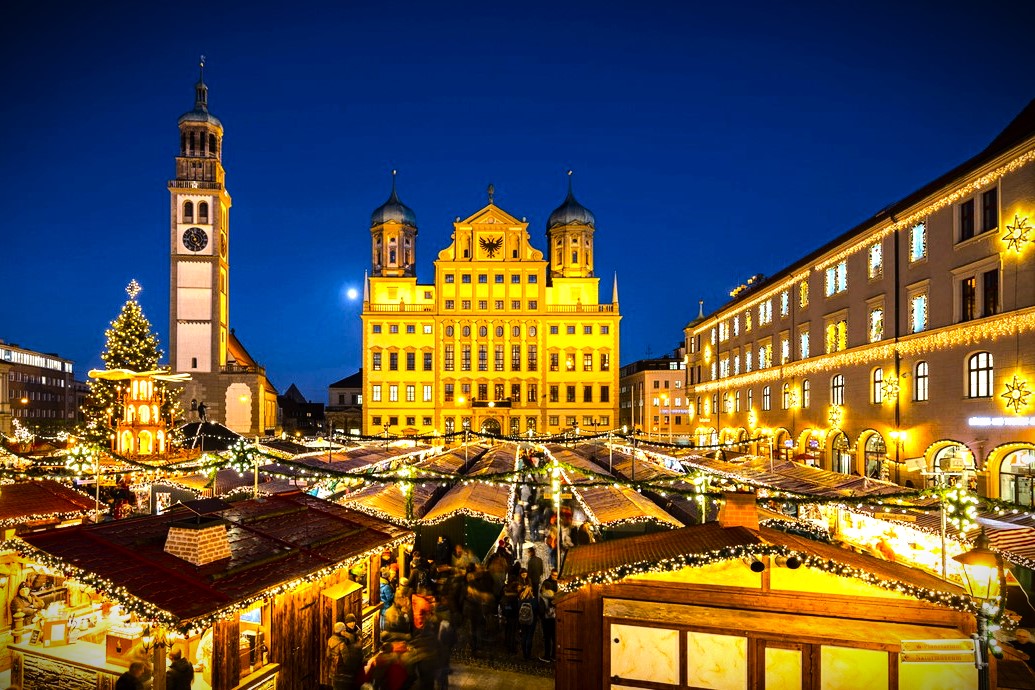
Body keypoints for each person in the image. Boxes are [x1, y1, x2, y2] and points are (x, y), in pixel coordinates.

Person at [539, 587, 557, 662]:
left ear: (544, 587)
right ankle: (554, 655)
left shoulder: (543, 597)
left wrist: (541, 617)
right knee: (554, 637)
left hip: (546, 620)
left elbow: (541, 610)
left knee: (547, 638)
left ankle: (547, 656)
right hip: (554, 619)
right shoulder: (554, 595)